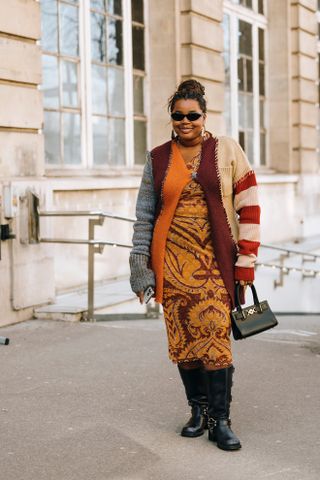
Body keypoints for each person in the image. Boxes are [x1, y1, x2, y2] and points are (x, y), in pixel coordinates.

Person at [129, 80, 260, 451]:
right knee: (184, 342)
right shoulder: (157, 157)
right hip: (171, 264)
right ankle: (198, 411)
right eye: (178, 115)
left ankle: (221, 420)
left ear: (204, 116)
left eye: (192, 115)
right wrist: (140, 267)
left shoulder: (226, 150)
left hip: (214, 264)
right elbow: (144, 217)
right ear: (171, 117)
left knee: (216, 337)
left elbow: (249, 204)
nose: (185, 121)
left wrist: (247, 259)